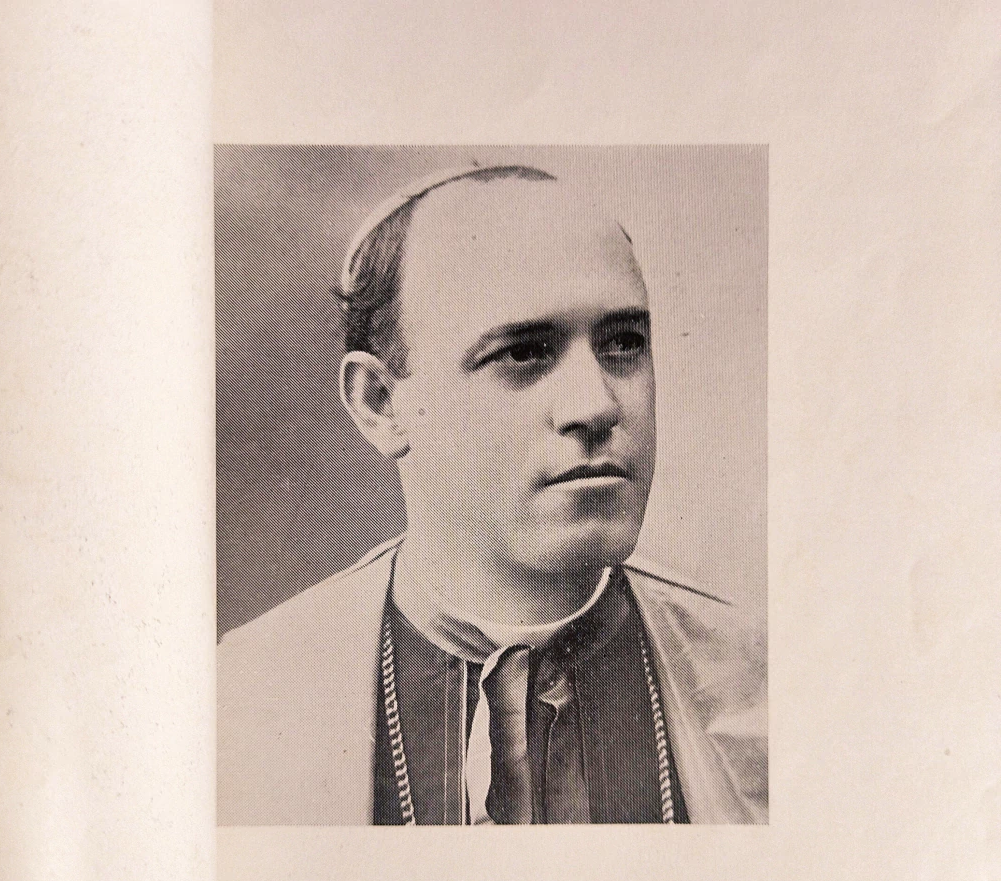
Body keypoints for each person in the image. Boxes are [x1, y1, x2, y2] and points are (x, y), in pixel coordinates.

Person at [218, 163, 767, 826]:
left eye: (624, 343)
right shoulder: (242, 702)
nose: (596, 405)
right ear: (380, 403)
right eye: (522, 353)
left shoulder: (764, 686)